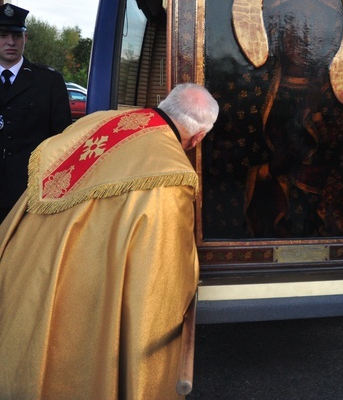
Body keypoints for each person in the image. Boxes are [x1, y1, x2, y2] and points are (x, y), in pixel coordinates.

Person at [0, 83, 219, 399]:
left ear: (164, 103)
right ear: (197, 138)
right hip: (80, 283)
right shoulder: (171, 173)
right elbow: (162, 274)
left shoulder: (102, 121)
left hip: (26, 262)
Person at [0, 3, 71, 221]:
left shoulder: (48, 81)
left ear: (26, 38)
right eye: (3, 35)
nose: (11, 42)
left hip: (29, 194)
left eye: (17, 35)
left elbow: (62, 140)